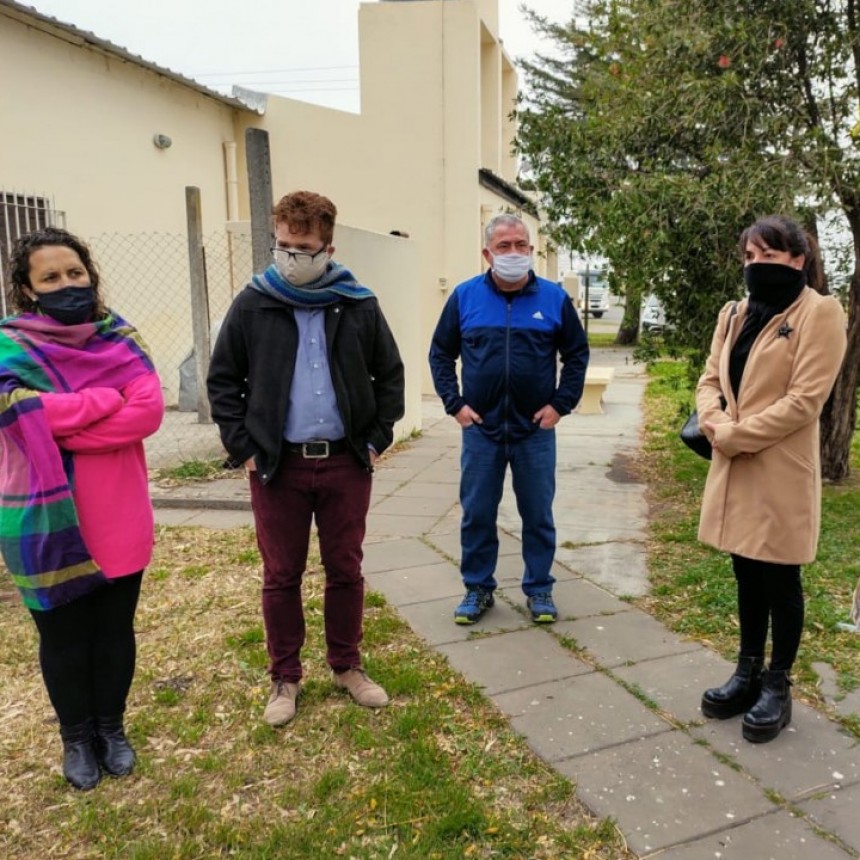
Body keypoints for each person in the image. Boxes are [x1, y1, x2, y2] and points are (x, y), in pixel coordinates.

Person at [207, 190, 405, 727]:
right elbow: (223, 379)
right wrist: (243, 446)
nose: (291, 257)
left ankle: (347, 666)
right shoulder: (254, 301)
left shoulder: (358, 302)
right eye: (284, 246)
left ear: (327, 248)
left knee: (345, 568)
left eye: (304, 247)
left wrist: (375, 437)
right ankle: (285, 677)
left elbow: (389, 375)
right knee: (281, 574)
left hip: (344, 461)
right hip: (278, 466)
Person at [1, 227, 164, 790]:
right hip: (41, 523)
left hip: (117, 513)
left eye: (75, 273)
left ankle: (111, 730)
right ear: (27, 289)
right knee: (64, 638)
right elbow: (16, 415)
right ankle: (76, 738)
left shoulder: (121, 339)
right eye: (50, 277)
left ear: (90, 275)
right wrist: (102, 402)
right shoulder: (10, 349)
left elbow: (146, 414)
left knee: (114, 630)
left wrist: (59, 420)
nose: (67, 284)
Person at [697, 215, 846, 744]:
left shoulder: (821, 312)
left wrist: (733, 435)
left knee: (780, 577)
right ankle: (746, 672)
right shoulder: (734, 313)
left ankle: (777, 687)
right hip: (735, 464)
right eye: (750, 257)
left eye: (770, 255)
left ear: (799, 260)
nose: (758, 266)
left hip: (780, 467)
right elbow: (710, 378)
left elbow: (805, 401)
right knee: (745, 571)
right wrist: (713, 419)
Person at [429, 213, 589, 625]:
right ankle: (478, 589)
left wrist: (560, 404)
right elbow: (441, 354)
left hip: (533, 431)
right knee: (478, 513)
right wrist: (455, 404)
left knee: (537, 514)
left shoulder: (553, 299)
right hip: (481, 431)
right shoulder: (465, 297)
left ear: (531, 250)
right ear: (488, 253)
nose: (514, 253)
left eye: (521, 245)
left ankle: (539, 590)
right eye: (505, 246)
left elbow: (576, 355)